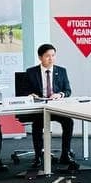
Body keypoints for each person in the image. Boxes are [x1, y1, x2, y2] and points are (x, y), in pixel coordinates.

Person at [25, 43, 77, 173]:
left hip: (56, 107)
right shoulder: (31, 72)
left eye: (53, 55)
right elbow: (24, 91)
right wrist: (30, 95)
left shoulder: (61, 71)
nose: (51, 59)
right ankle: (38, 156)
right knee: (37, 125)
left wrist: (60, 94)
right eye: (47, 56)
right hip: (40, 108)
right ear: (40, 57)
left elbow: (68, 90)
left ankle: (65, 154)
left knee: (69, 122)